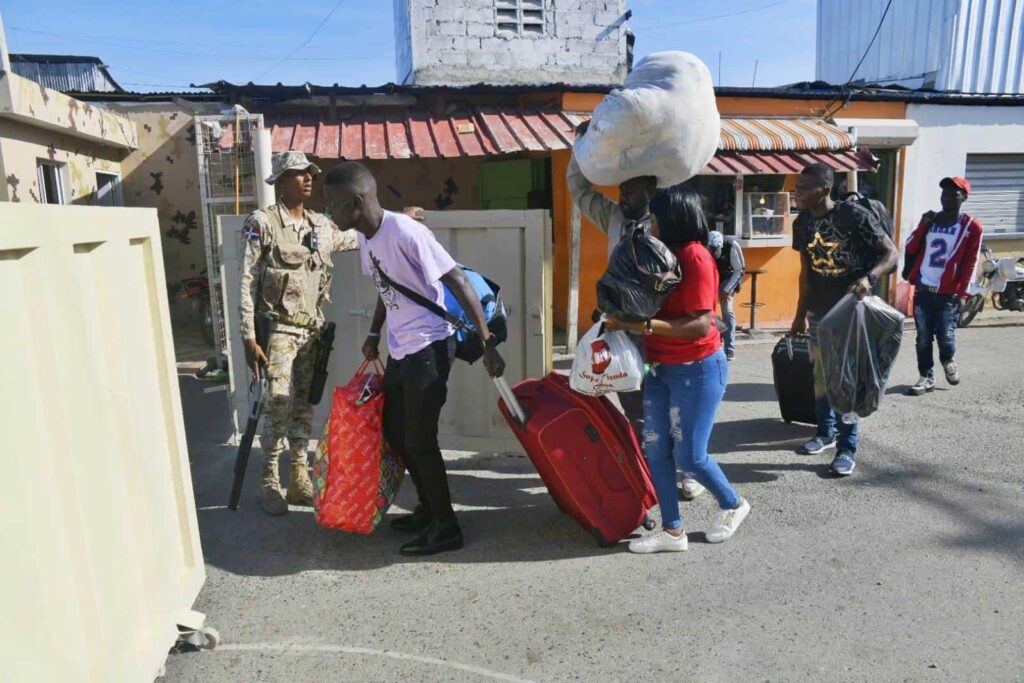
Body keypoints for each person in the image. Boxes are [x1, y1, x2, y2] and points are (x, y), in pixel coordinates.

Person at [323, 161, 505, 556]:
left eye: (333, 204)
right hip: (401, 348)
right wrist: (374, 333)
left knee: (420, 440)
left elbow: (456, 279)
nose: (329, 211)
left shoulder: (406, 232)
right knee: (395, 432)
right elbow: (389, 290)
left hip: (431, 347)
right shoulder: (367, 239)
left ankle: (447, 527)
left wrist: (488, 343)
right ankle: (427, 510)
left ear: (356, 202)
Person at [605, 186, 751, 554]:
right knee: (656, 448)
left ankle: (733, 504)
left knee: (690, 456)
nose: (649, 225)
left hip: (698, 368)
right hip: (661, 368)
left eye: (654, 219)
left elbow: (702, 324)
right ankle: (672, 532)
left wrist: (638, 328)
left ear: (672, 220)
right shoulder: (661, 255)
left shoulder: (695, 257)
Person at [568, 121, 705, 501]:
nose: (624, 193)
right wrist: (581, 147)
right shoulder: (614, 218)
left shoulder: (667, 225)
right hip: (622, 328)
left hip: (660, 330)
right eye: (621, 187)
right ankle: (650, 470)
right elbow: (580, 189)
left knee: (669, 400)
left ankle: (685, 470)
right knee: (633, 397)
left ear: (652, 188)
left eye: (632, 187)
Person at [240, 152, 361, 516]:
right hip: (277, 331)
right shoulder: (262, 223)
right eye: (298, 174)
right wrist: (248, 336)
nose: (308, 179)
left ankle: (298, 479)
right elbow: (246, 280)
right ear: (280, 179)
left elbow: (355, 237)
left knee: (305, 406)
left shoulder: (320, 225)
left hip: (311, 331)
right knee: (278, 404)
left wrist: (397, 221)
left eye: (310, 173)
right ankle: (269, 482)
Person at [791, 163, 898, 477]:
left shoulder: (854, 216)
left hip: (852, 312)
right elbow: (806, 273)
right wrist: (800, 315)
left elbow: (890, 254)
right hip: (819, 313)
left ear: (824, 189)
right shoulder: (802, 224)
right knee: (822, 377)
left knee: (847, 381)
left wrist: (869, 278)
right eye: (797, 187)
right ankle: (825, 433)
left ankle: (847, 447)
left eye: (804, 188)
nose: (797, 194)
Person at [902, 177, 983, 396]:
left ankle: (948, 359)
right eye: (944, 193)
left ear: (963, 197)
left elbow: (971, 261)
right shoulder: (932, 220)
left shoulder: (971, 227)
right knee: (923, 337)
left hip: (949, 292)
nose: (946, 197)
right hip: (924, 289)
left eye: (953, 193)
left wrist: (964, 292)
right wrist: (923, 225)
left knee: (946, 336)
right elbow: (910, 246)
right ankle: (926, 376)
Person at [707, 230, 745, 360]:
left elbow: (740, 269)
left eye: (715, 250)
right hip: (711, 276)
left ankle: (730, 348)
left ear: (721, 246)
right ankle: (713, 342)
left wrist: (727, 290)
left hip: (728, 278)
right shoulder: (704, 246)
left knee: (726, 309)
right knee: (706, 309)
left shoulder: (732, 245)